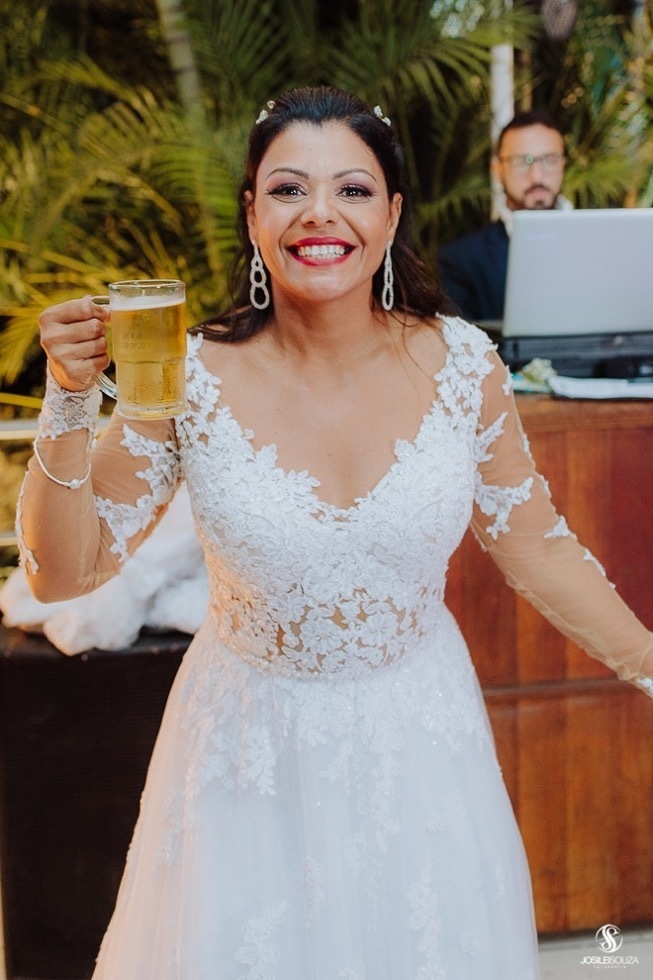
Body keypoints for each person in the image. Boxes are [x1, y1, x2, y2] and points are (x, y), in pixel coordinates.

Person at [16, 86, 652, 979]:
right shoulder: (187, 376)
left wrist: (649, 664)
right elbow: (60, 572)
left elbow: (537, 543)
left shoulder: (463, 363)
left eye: (352, 190)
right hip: (245, 757)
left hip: (422, 747)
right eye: (287, 189)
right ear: (251, 213)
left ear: (391, 215)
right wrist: (72, 400)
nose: (320, 214)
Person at [437, 111, 572, 322]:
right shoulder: (462, 260)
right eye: (522, 161)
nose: (536, 175)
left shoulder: (604, 244)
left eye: (549, 159)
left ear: (563, 163)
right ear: (497, 169)